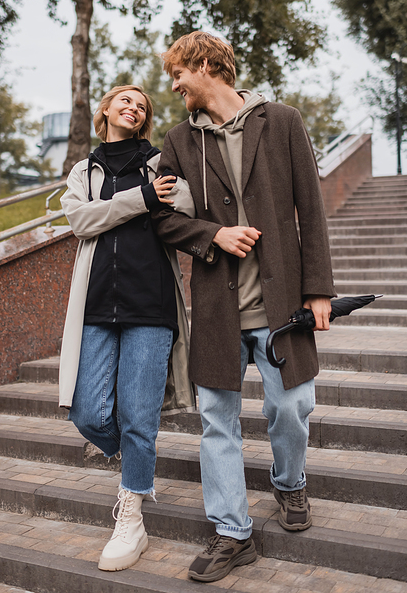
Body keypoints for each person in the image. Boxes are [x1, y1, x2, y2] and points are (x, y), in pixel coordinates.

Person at [151, 31, 336, 584]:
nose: (175, 84)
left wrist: (318, 289)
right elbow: (162, 217)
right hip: (217, 310)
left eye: (178, 73)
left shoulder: (281, 120)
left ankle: (289, 483)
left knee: (291, 408)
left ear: (205, 65)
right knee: (217, 423)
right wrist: (213, 235)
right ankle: (232, 531)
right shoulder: (179, 140)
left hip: (281, 306)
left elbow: (312, 206)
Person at [58, 84, 195, 572]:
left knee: (139, 417)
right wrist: (140, 199)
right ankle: (141, 460)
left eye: (142, 104)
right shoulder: (84, 171)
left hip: (150, 306)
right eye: (125, 99)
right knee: (87, 416)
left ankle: (132, 514)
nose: (134, 106)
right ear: (105, 110)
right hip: (96, 306)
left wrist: (159, 195)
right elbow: (80, 220)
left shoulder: (161, 164)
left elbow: (187, 209)